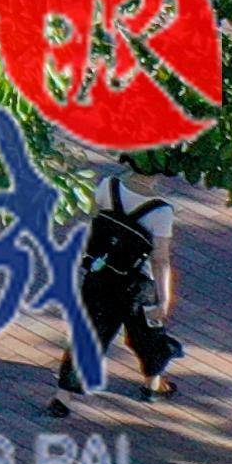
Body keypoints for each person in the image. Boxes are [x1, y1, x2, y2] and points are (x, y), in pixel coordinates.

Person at [56, 177, 186, 412]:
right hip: (137, 285)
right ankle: (152, 385)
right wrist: (164, 298)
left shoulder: (108, 185)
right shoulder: (161, 210)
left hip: (101, 274)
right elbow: (160, 259)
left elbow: (95, 221)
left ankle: (63, 397)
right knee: (147, 335)